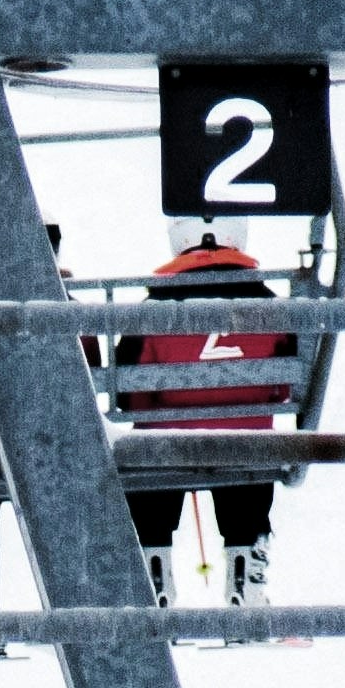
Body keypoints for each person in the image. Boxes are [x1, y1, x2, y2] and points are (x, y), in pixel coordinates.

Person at [120, 222, 295, 612]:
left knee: (150, 462)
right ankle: (244, 587)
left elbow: (128, 393)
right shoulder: (269, 304)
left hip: (167, 441)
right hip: (244, 441)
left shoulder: (153, 309)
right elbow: (284, 385)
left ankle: (153, 584)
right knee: (249, 461)